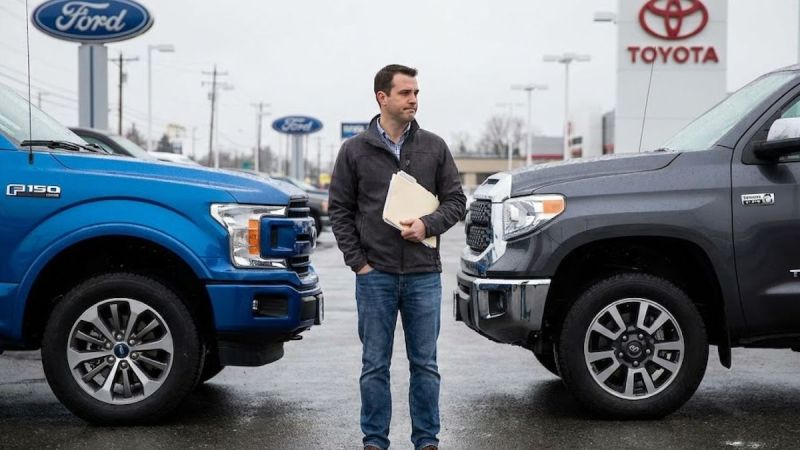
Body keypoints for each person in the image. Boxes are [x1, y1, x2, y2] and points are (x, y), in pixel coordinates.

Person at [329, 64, 466, 450]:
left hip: (424, 274)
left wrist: (428, 224)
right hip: (376, 276)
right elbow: (339, 210)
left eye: (417, 93)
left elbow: (457, 201)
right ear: (382, 97)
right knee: (375, 366)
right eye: (406, 93)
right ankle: (375, 441)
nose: (414, 100)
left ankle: (427, 441)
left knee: (426, 365)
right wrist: (359, 263)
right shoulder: (354, 150)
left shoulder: (434, 147)